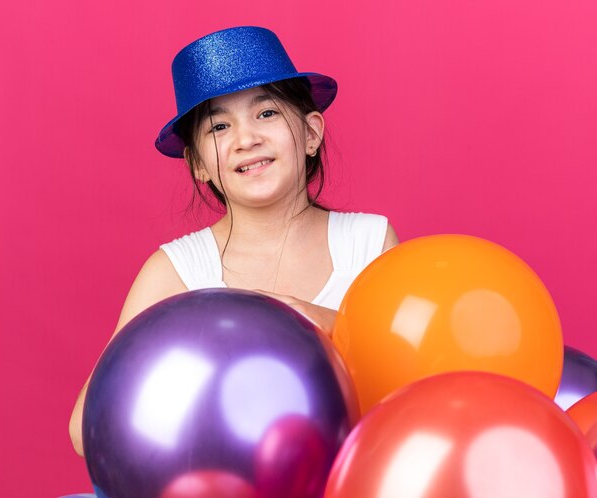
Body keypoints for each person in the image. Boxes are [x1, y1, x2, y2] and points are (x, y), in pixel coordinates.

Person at [69, 26, 398, 456]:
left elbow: (405, 383)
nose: (246, 140)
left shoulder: (370, 242)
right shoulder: (176, 270)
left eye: (266, 114)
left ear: (312, 133)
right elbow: (86, 427)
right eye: (219, 126)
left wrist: (325, 323)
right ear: (198, 165)